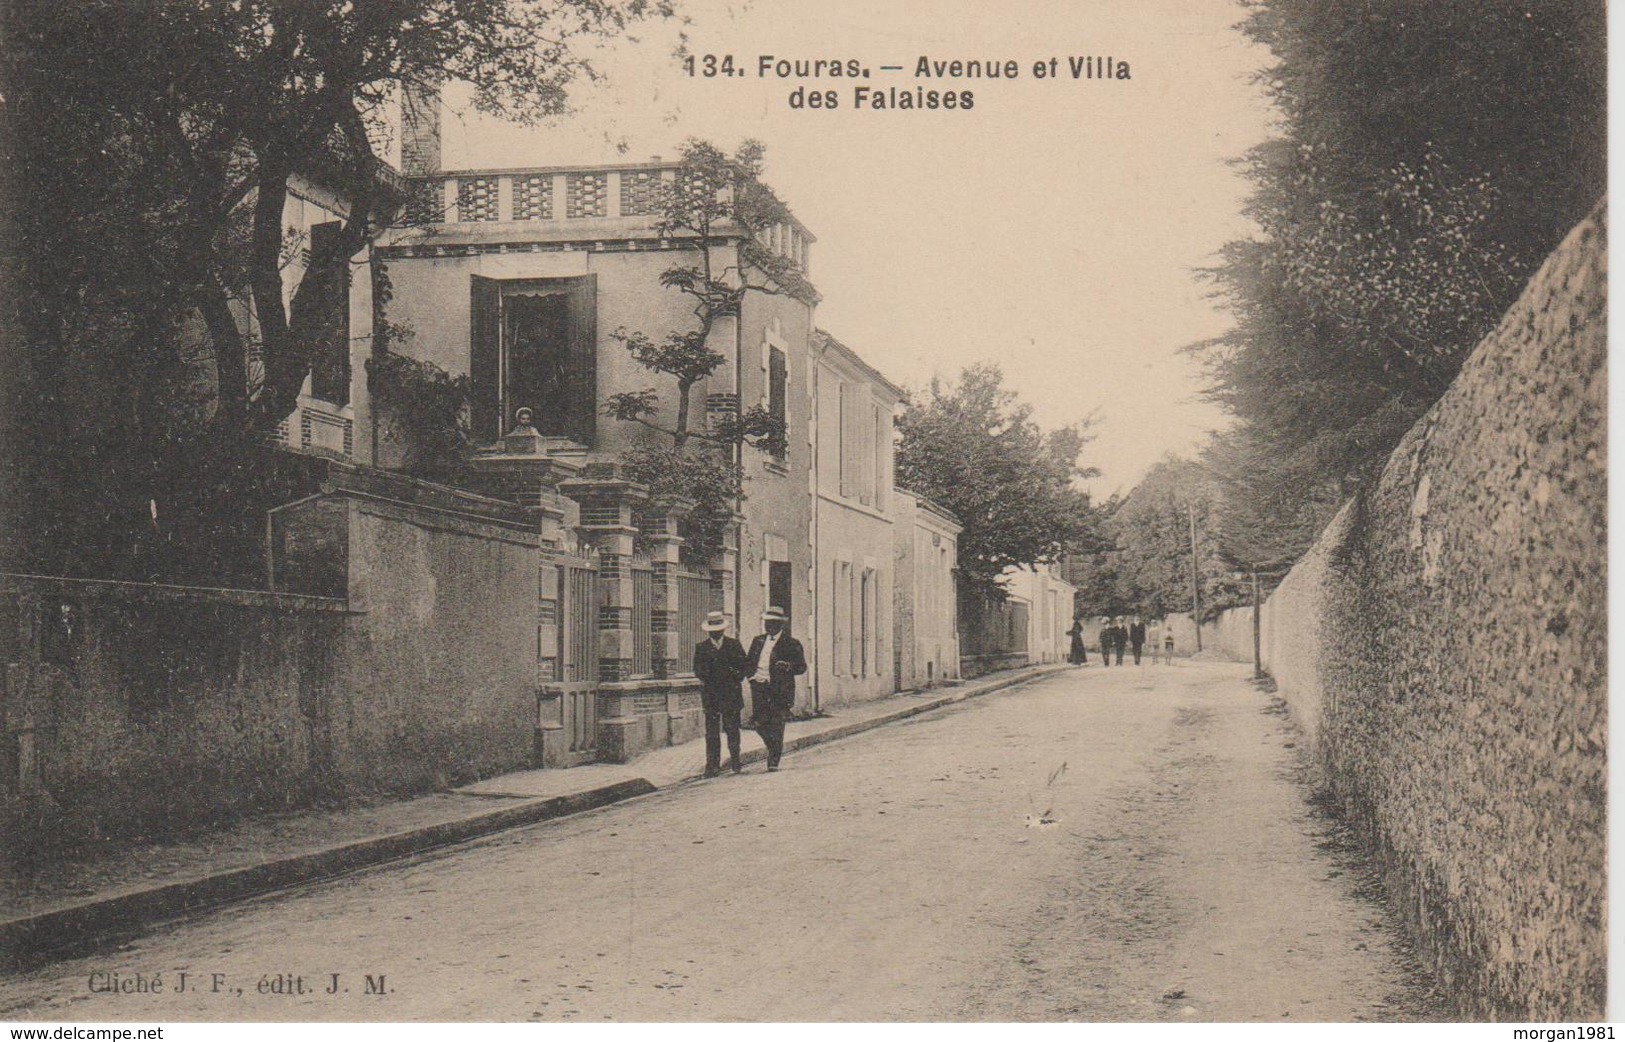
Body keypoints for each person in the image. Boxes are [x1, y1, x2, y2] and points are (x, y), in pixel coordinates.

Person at [746, 606, 807, 772]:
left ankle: (773, 761)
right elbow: (749, 662)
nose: (769, 626)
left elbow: (802, 667)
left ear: (781, 625)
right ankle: (773, 747)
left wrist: (788, 666)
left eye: (773, 623)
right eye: (767, 623)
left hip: (780, 690)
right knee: (758, 723)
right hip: (759, 687)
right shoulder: (757, 641)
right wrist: (751, 677)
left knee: (777, 726)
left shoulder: (791, 643)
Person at [693, 610, 749, 777]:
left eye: (718, 629)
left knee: (732, 729)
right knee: (711, 732)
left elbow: (743, 668)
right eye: (712, 630)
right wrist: (712, 675)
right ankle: (712, 765)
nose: (715, 632)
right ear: (708, 630)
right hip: (711, 696)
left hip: (731, 694)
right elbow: (698, 670)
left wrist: (732, 673)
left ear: (723, 630)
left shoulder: (734, 645)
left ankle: (736, 762)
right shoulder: (701, 648)